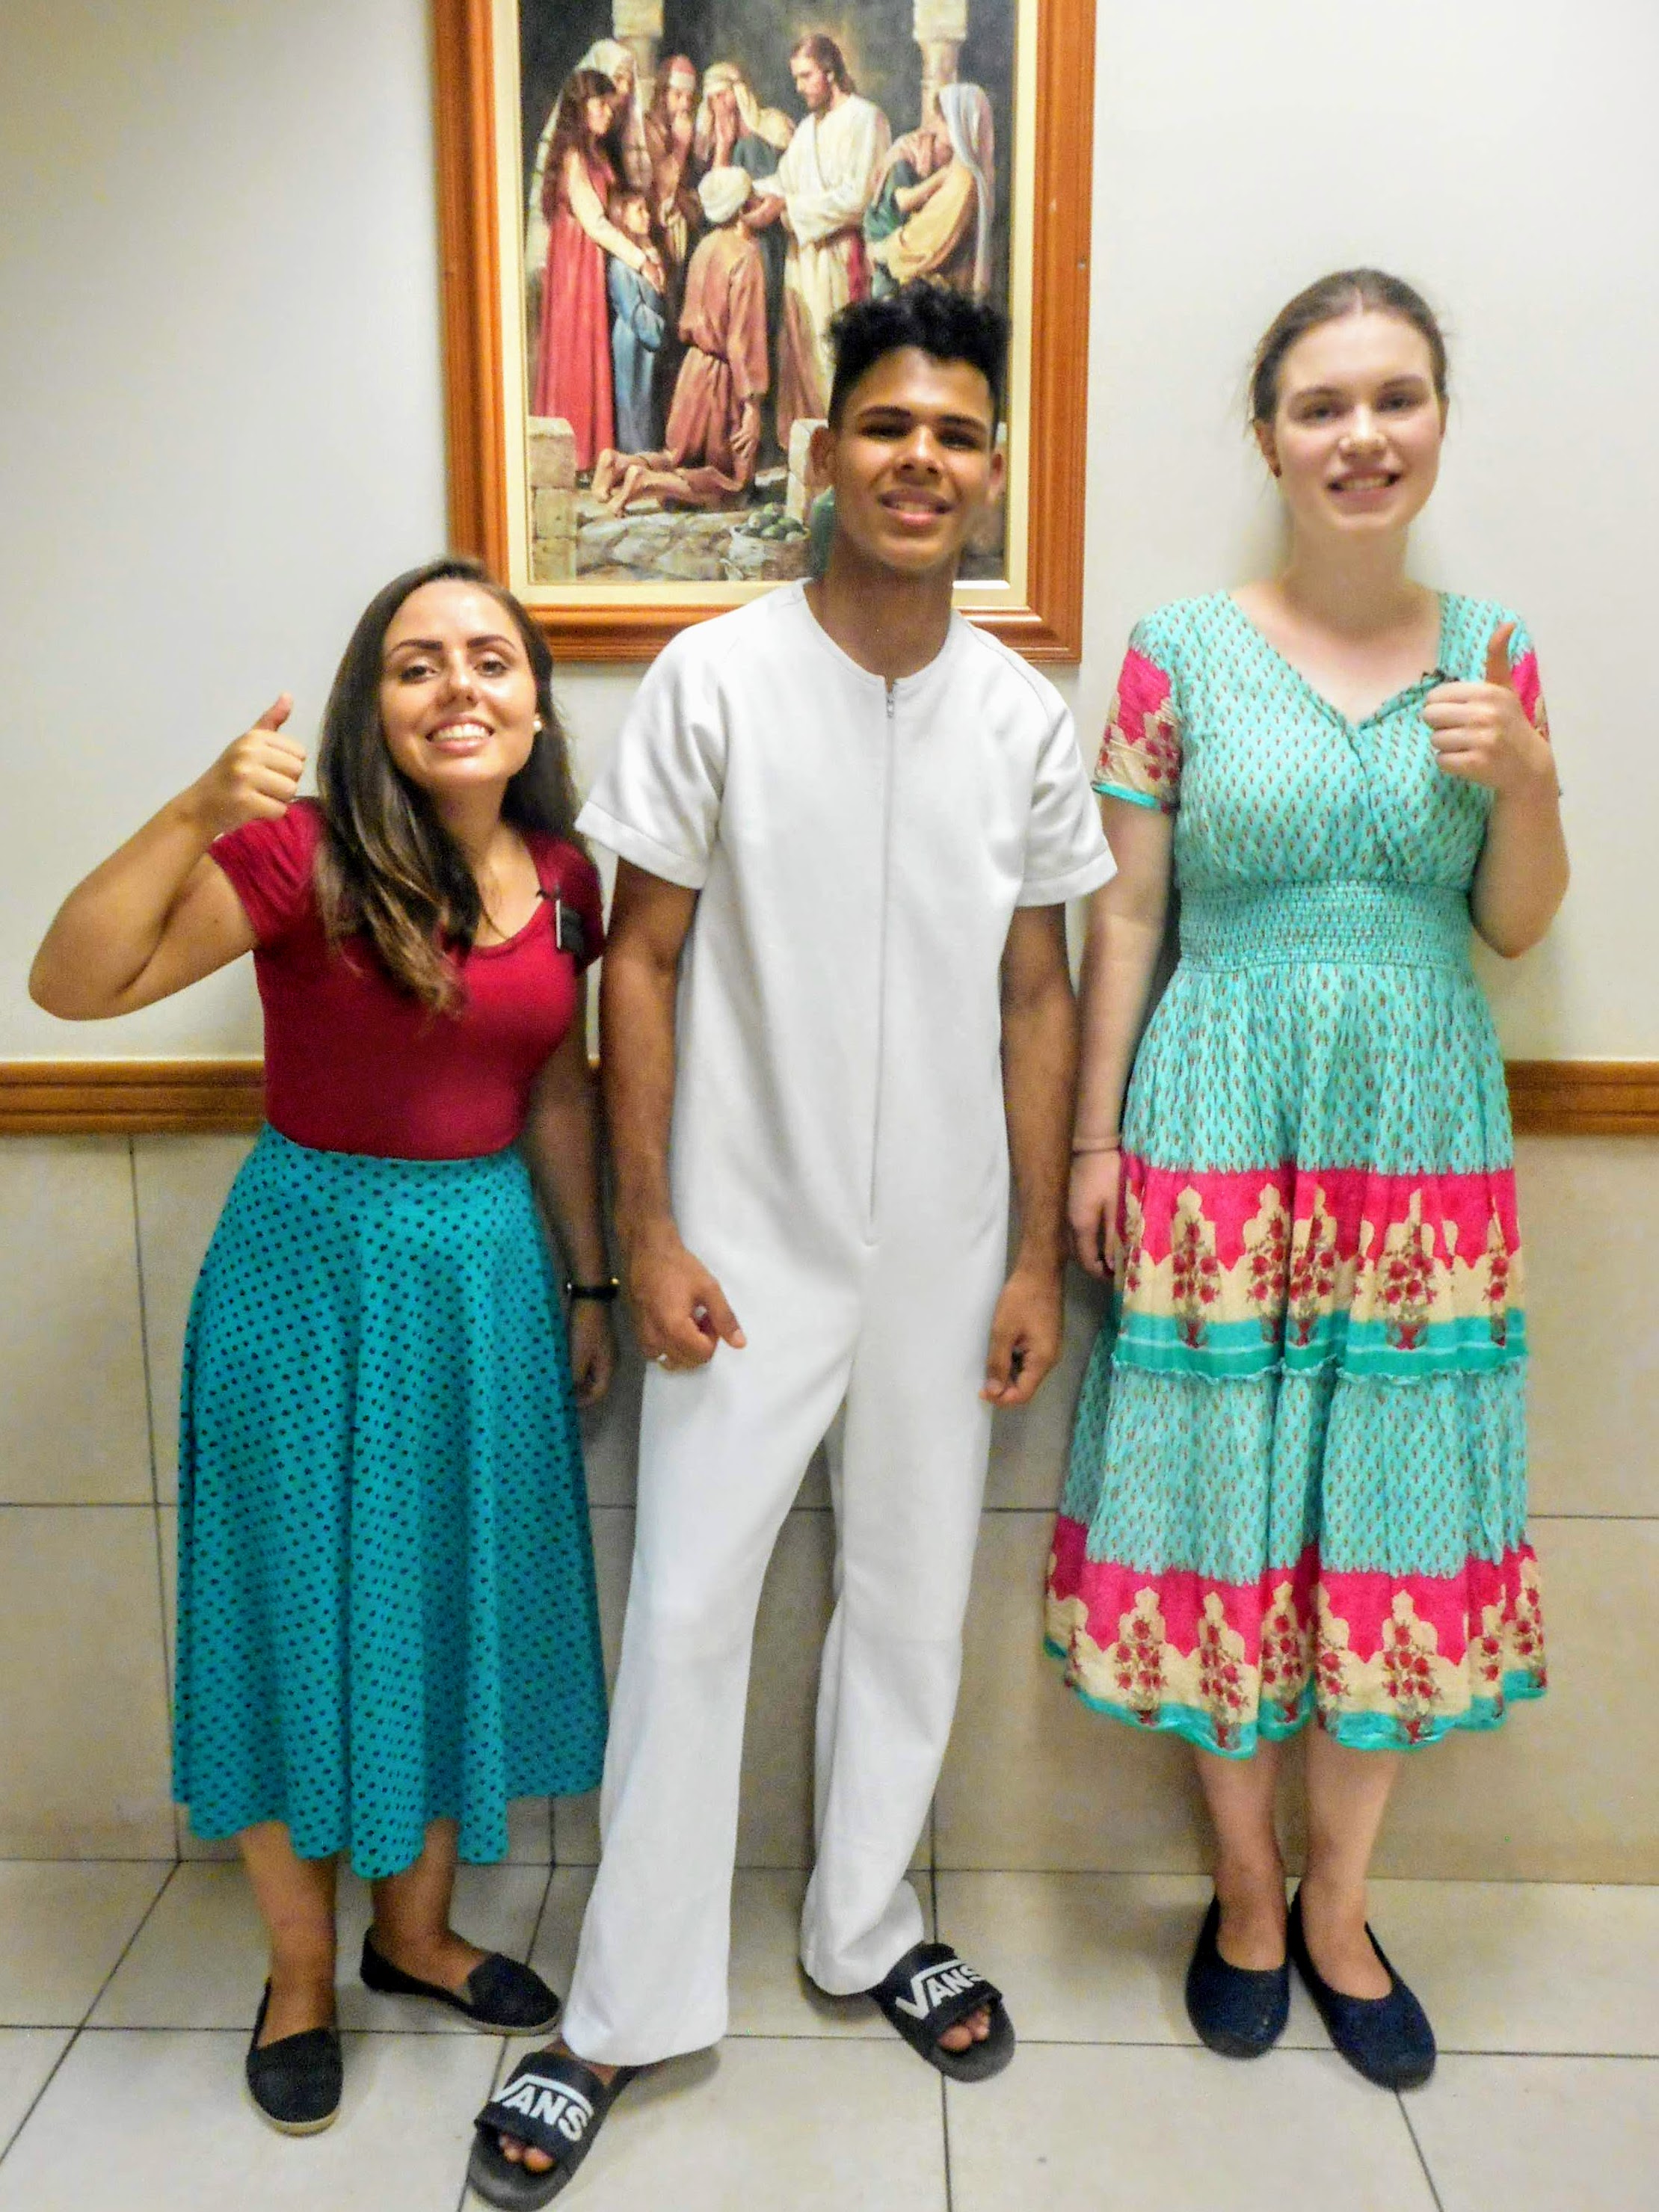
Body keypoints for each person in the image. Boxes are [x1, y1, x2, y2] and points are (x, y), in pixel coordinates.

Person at [467, 282, 1115, 2205]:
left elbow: (1037, 988)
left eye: (959, 435)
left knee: (912, 1594)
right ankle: (617, 2011)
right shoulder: (714, 675)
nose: (925, 460)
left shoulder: (1020, 710)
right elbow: (639, 961)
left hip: (945, 1249)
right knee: (685, 1610)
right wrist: (645, 1227)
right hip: (735, 1240)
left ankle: (865, 1921)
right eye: (891, 427)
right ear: (826, 451)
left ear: (989, 473)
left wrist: (1016, 1263)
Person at [1048, 270, 1566, 2091]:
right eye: (1324, 403)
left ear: (1437, 420)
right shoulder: (1176, 646)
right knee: (1221, 1503)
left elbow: (1512, 925)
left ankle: (1346, 1903)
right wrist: (1097, 1142)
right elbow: (1124, 911)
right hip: (1214, 1111)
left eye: (1397, 398)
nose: (1363, 434)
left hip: (1422, 1128)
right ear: (1265, 435)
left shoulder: (1494, 647)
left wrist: (1532, 788)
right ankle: (1246, 1889)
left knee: (1394, 1516)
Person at [28, 559, 615, 2134]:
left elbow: (556, 1087)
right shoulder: (299, 856)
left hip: (486, 1277)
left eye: (490, 657)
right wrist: (189, 807)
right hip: (303, 1272)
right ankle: (298, 1973)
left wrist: (589, 1284)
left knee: (439, 1601)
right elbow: (71, 984)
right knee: (285, 1607)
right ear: (374, 705)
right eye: (416, 664)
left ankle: (412, 1937)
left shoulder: (567, 876)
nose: (458, 687)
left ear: (536, 700)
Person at [590, 166, 768, 516]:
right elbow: (743, 340)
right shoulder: (746, 257)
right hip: (724, 380)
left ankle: (620, 463)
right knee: (733, 484)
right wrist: (753, 407)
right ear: (744, 208)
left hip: (694, 369)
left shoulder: (703, 247)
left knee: (677, 455)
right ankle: (645, 484)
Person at [749, 34, 890, 446]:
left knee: (834, 359)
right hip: (803, 259)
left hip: (839, 258)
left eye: (806, 76)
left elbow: (858, 197)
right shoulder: (808, 129)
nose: (799, 87)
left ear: (830, 72)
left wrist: (787, 208)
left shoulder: (867, 119)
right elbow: (785, 179)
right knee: (801, 358)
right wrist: (750, 191)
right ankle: (808, 460)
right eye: (796, 78)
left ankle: (844, 458)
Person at [532, 70, 662, 469]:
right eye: (600, 104)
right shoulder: (573, 159)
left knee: (594, 353)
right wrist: (640, 258)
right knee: (577, 351)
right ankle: (579, 456)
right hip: (575, 264)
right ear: (580, 108)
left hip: (590, 258)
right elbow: (596, 223)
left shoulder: (597, 153)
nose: (608, 112)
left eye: (610, 104)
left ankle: (594, 453)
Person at [866, 82, 995, 298]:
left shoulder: (963, 179)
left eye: (944, 120)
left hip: (938, 295)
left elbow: (926, 240)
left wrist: (882, 250)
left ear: (962, 123)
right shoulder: (960, 171)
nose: (936, 127)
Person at [606, 188, 668, 452]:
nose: (647, 217)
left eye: (647, 210)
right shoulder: (620, 265)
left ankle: (649, 455)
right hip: (633, 339)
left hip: (649, 340)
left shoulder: (649, 253)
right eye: (639, 211)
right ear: (622, 217)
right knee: (634, 398)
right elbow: (633, 310)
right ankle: (634, 455)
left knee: (650, 398)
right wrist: (659, 331)